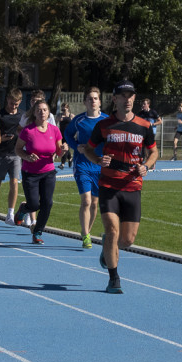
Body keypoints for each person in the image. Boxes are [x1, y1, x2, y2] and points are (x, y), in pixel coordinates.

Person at [80, 80, 157, 294]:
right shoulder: (104, 126)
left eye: (130, 95)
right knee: (112, 231)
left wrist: (147, 166)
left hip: (133, 186)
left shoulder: (144, 126)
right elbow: (88, 149)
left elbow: (154, 152)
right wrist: (97, 160)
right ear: (115, 99)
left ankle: (107, 246)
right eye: (122, 95)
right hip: (109, 186)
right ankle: (114, 278)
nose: (127, 99)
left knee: (127, 240)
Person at [13, 99, 66, 244]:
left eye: (44, 110)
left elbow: (59, 151)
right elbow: (17, 149)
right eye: (39, 110)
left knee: (47, 203)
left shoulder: (54, 130)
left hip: (48, 172)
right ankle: (23, 209)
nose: (42, 112)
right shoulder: (28, 131)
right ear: (34, 113)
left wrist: (63, 150)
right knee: (34, 205)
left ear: (49, 113)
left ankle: (37, 232)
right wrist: (26, 156)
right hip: (30, 173)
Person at [63, 87, 106, 249]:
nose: (93, 101)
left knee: (95, 203)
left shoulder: (106, 120)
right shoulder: (79, 120)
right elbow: (67, 134)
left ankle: (87, 231)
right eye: (90, 99)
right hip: (82, 164)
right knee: (86, 201)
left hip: (99, 165)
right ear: (85, 102)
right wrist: (76, 146)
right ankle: (85, 233)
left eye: (95, 98)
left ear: (100, 102)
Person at [0, 88, 23, 226]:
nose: (13, 105)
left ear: (20, 102)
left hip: (15, 154)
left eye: (16, 103)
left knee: (14, 182)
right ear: (7, 99)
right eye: (11, 102)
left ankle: (10, 213)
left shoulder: (22, 116)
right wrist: (1, 138)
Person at [58, 103, 74, 169]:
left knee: (65, 148)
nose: (63, 109)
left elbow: (75, 123)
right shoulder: (60, 115)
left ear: (67, 108)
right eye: (62, 108)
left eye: (64, 108)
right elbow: (57, 121)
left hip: (69, 134)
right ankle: (70, 158)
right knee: (64, 148)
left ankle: (62, 164)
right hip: (61, 134)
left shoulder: (71, 115)